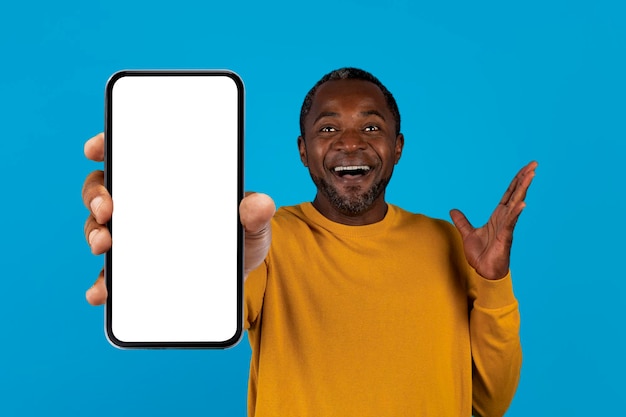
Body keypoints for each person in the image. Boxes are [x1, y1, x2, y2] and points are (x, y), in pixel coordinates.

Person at [82, 67, 537, 417]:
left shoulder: (448, 243)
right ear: (303, 151)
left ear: (398, 146)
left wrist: (493, 281)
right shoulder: (262, 236)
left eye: (372, 128)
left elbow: (488, 404)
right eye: (327, 129)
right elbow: (195, 310)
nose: (351, 143)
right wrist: (163, 242)